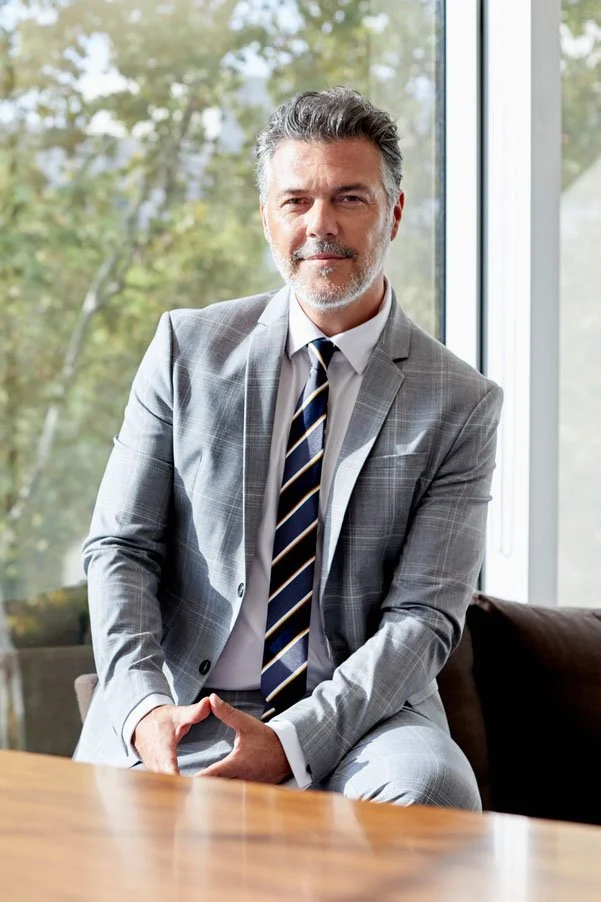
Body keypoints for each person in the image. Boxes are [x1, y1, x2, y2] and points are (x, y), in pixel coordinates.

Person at [74, 87, 502, 810]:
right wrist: (145, 707)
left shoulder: (459, 402)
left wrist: (294, 740)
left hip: (366, 722)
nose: (320, 226)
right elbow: (120, 546)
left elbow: (422, 621)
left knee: (430, 790)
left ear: (393, 213)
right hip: (185, 703)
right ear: (266, 217)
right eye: (295, 201)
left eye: (349, 199)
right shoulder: (187, 348)